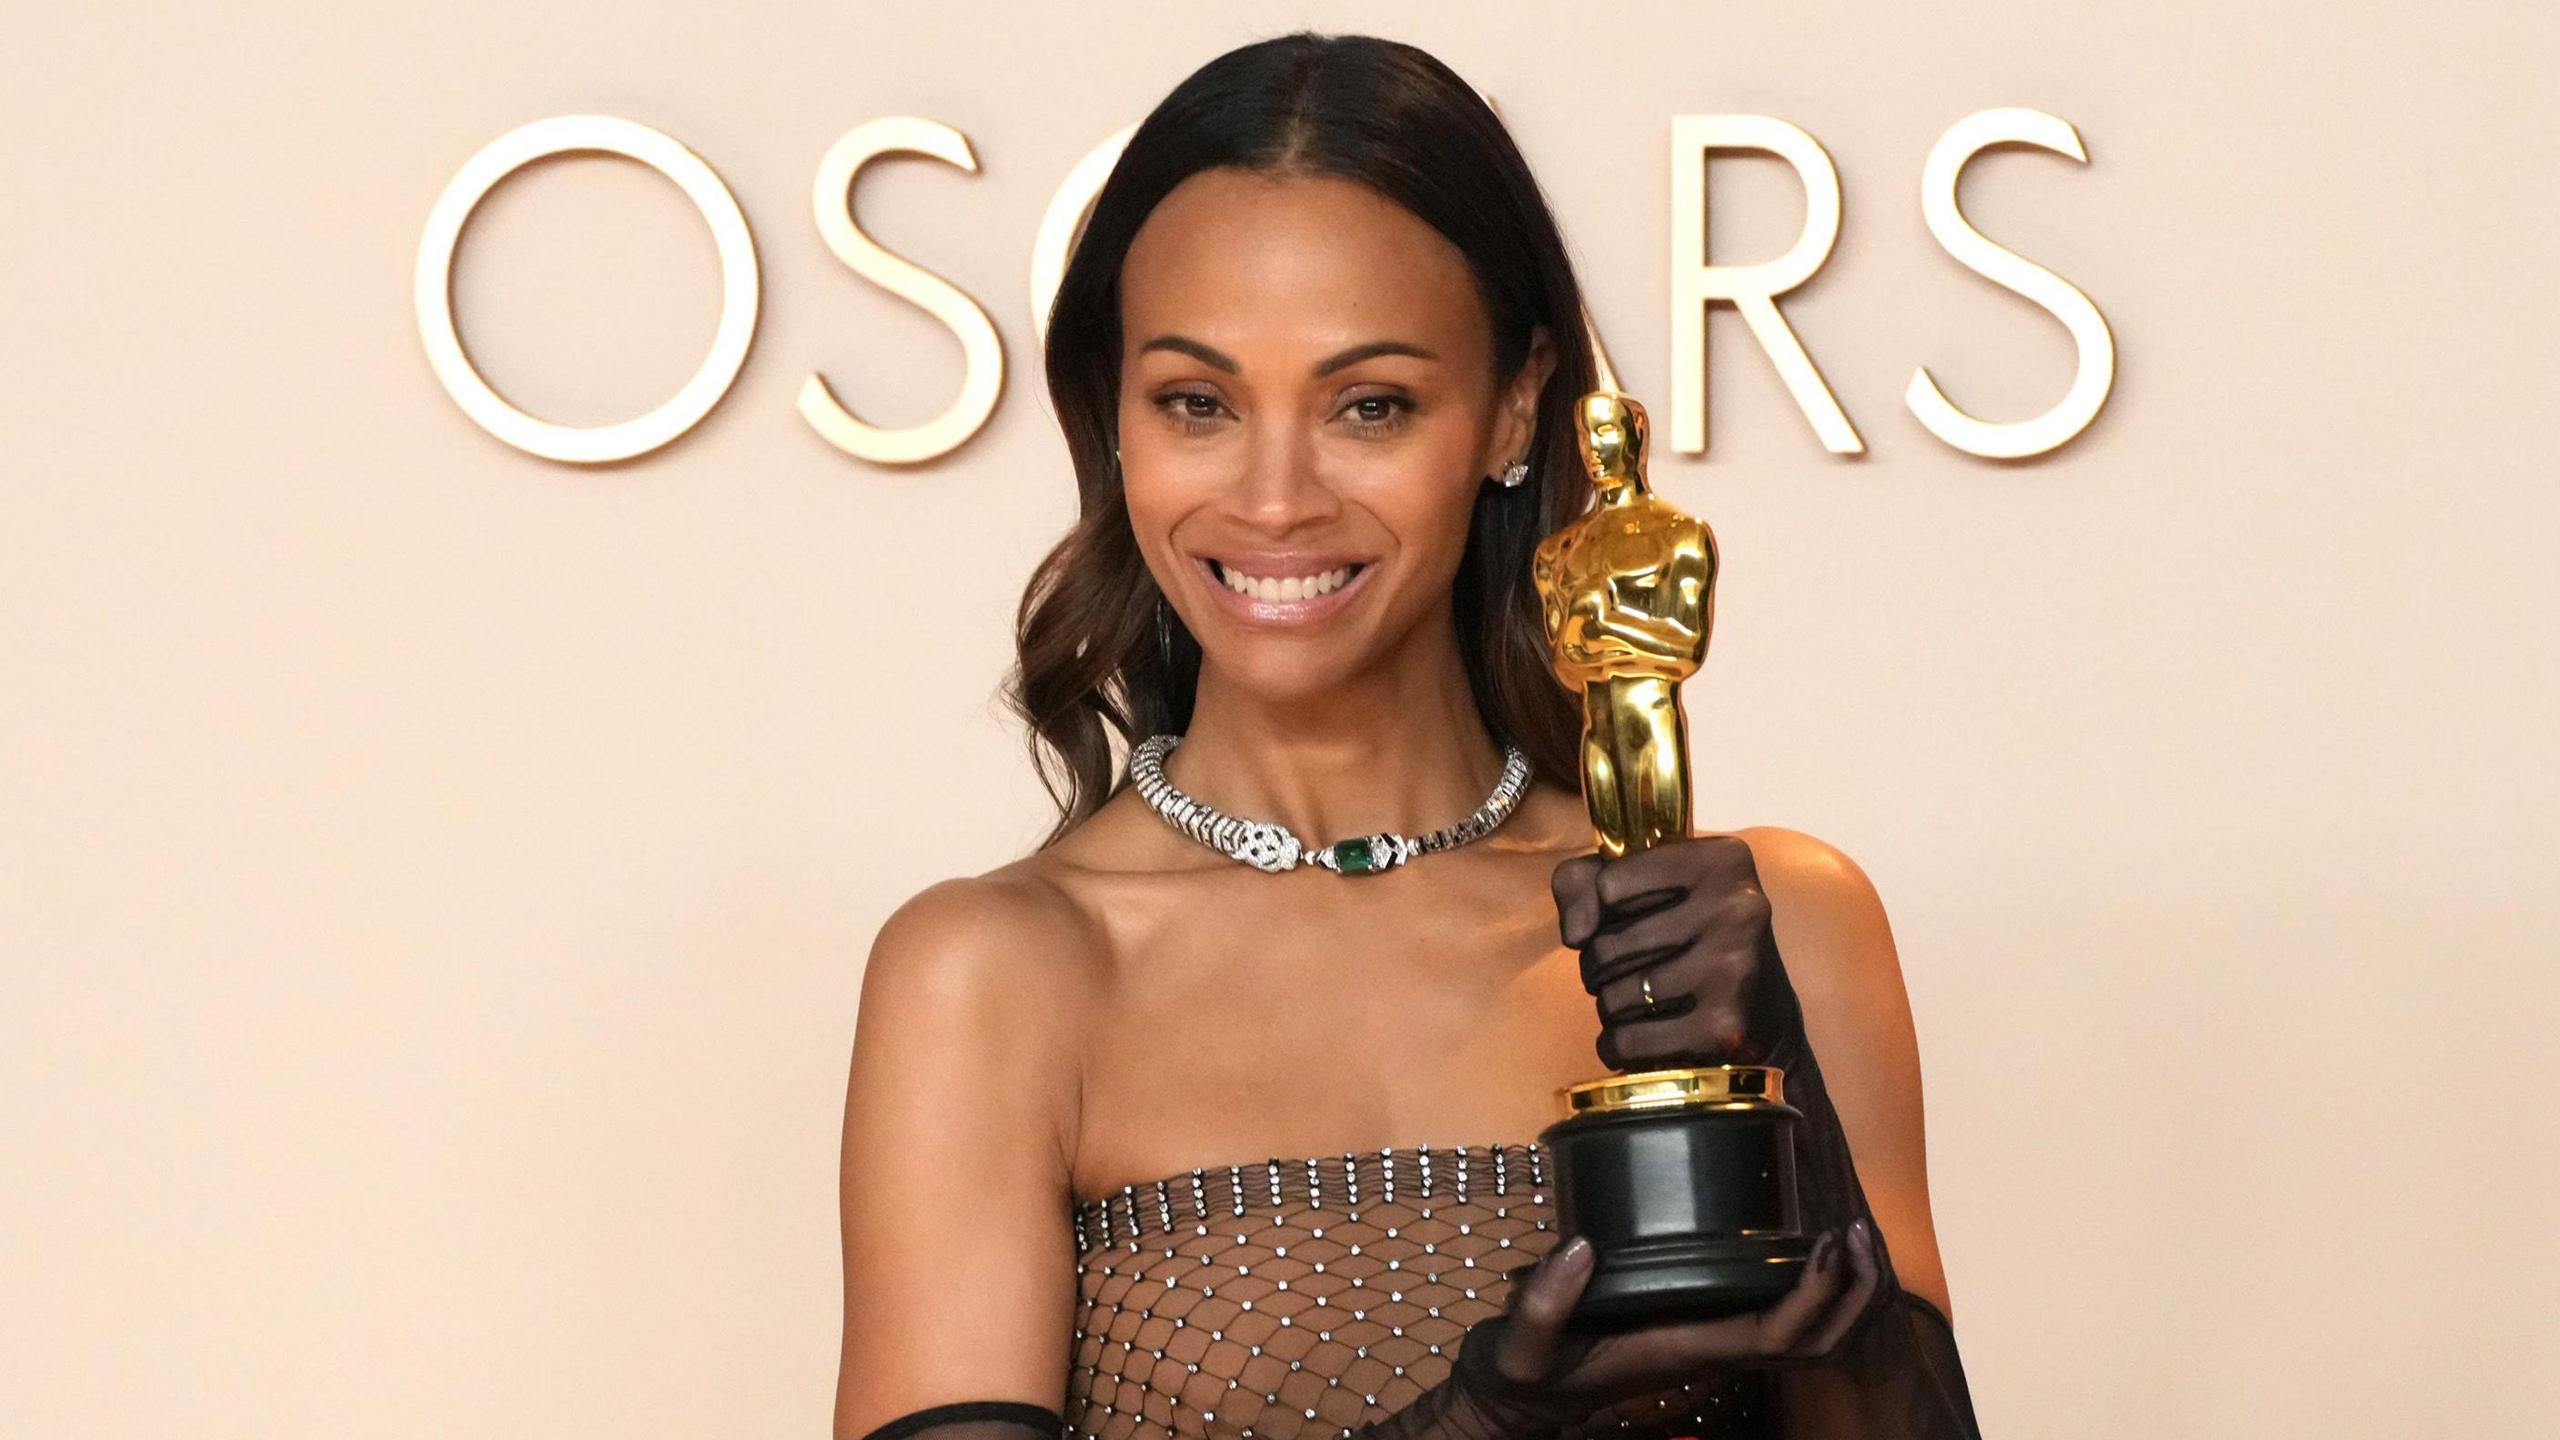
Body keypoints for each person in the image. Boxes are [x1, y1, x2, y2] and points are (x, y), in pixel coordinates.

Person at [836, 30, 1981, 1440]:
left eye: (1369, 405)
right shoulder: (998, 979)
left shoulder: (1772, 930)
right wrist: (1484, 1420)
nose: (1274, 499)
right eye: (1197, 403)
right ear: (1115, 415)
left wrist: (1782, 1072)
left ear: (1513, 405)